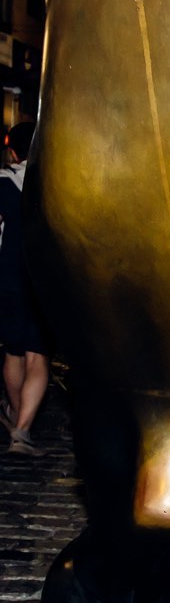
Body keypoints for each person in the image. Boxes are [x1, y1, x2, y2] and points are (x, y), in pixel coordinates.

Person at [0, 121, 49, 455]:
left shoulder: (3, 183)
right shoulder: (50, 184)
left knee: (13, 352)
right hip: (43, 282)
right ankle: (22, 429)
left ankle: (18, 420)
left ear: (13, 152)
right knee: (38, 356)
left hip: (8, 279)